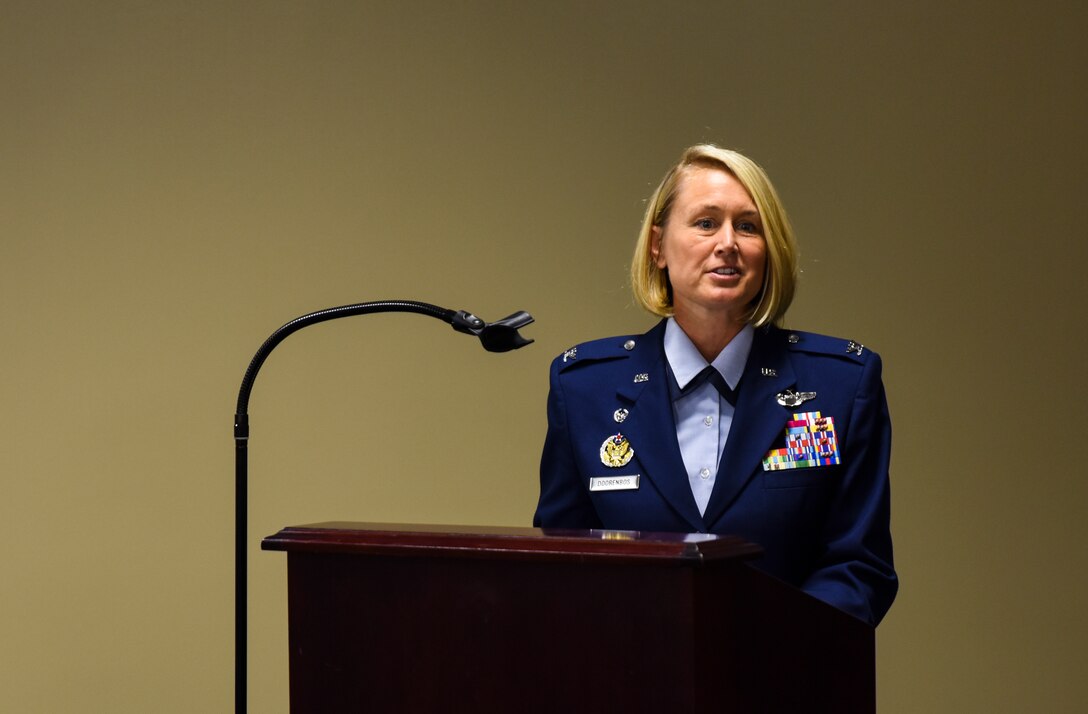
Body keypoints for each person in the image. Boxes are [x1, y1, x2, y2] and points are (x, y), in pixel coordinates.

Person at [533, 144, 897, 625]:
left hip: (789, 680)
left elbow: (858, 566)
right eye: (706, 223)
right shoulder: (584, 389)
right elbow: (560, 567)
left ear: (770, 251)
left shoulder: (840, 385)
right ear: (658, 246)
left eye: (748, 226)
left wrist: (761, 655)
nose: (728, 242)